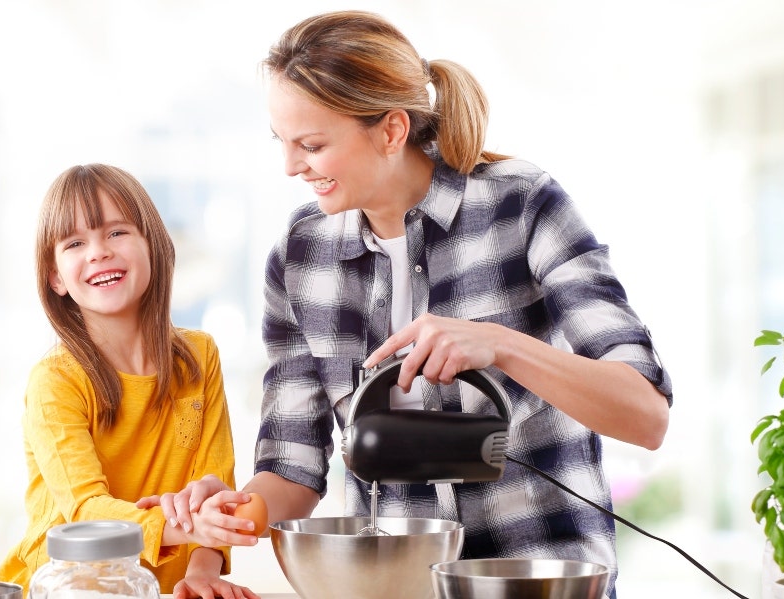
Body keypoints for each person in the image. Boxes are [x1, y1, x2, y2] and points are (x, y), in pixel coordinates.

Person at [150, 10, 673, 598]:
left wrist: (500, 343)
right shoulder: (300, 257)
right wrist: (234, 512)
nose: (291, 166)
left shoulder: (522, 206)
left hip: (536, 581)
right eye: (284, 142)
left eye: (313, 144)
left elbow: (645, 414)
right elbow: (292, 465)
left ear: (392, 130)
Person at [0, 163, 260, 599]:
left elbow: (214, 483)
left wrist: (203, 567)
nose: (98, 252)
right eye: (75, 242)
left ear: (152, 245)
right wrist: (186, 525)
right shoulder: (55, 381)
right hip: (63, 588)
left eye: (117, 233)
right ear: (55, 277)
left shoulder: (200, 358)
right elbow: (85, 512)